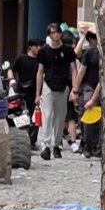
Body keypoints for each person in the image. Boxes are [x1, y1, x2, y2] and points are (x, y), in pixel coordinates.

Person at [35, 23, 78, 160]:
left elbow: (73, 68)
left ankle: (56, 145)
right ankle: (46, 144)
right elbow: (40, 71)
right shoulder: (43, 51)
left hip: (63, 84)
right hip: (48, 84)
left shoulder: (67, 50)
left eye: (58, 32)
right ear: (49, 35)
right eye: (53, 33)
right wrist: (38, 93)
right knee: (47, 115)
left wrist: (74, 88)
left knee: (60, 117)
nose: (56, 35)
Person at [8, 39, 42, 149]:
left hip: (35, 91)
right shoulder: (21, 59)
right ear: (30, 47)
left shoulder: (40, 61)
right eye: (36, 46)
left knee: (35, 116)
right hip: (21, 90)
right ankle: (21, 139)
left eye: (39, 46)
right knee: (20, 115)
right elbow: (11, 69)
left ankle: (32, 141)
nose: (38, 48)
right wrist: (11, 80)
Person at [72, 31, 101, 158]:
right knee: (88, 116)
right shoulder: (90, 52)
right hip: (89, 86)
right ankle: (87, 144)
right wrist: (75, 90)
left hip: (103, 88)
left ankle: (97, 144)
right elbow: (81, 72)